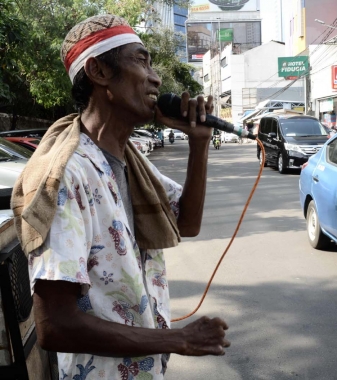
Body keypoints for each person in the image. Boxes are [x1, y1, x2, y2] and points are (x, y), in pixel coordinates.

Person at [11, 14, 229, 379]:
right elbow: (55, 326)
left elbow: (186, 224)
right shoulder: (68, 175)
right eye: (140, 61)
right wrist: (176, 339)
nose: (155, 77)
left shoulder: (128, 158)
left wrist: (199, 145)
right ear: (98, 71)